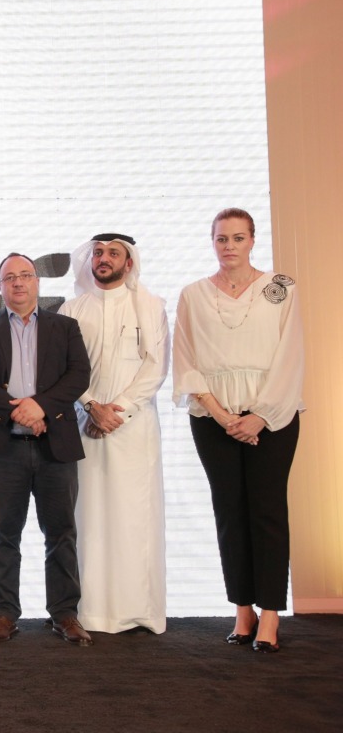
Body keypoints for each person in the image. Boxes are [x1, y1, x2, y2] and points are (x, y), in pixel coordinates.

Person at [172, 208, 304, 654]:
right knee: (229, 512)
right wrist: (223, 415)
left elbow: (290, 355)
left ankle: (271, 614)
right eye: (221, 238)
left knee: (267, 511)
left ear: (252, 240)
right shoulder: (193, 294)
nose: (229, 246)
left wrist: (259, 415)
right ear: (212, 242)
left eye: (238, 238)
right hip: (213, 418)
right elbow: (186, 360)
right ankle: (243, 610)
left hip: (273, 416)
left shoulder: (279, 287)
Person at [0, 253, 92, 646]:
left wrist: (42, 408)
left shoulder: (65, 326)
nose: (18, 282)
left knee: (61, 533)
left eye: (25, 275)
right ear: (0, 286)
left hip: (55, 444)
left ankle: (65, 614)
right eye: (10, 277)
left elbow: (79, 375)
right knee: (3, 534)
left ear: (37, 282)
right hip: (2, 447)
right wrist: (18, 411)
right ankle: (3, 614)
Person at [59, 234, 169, 634]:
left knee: (134, 519)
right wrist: (91, 406)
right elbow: (64, 368)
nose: (103, 259)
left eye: (113, 253)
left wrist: (116, 410)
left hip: (133, 428)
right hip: (84, 424)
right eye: (98, 253)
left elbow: (155, 368)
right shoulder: (72, 309)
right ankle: (89, 612)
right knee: (88, 519)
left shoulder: (150, 305)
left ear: (129, 262)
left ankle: (139, 611)